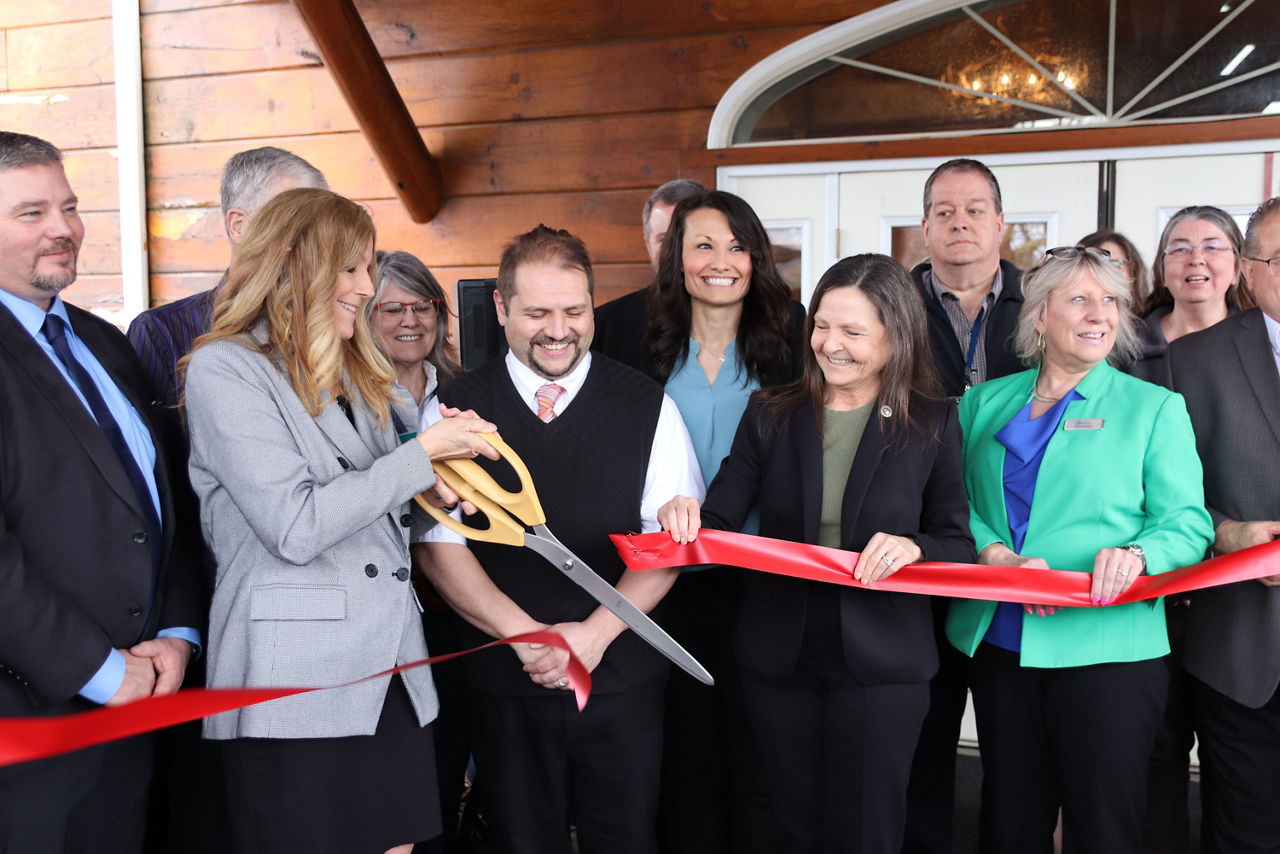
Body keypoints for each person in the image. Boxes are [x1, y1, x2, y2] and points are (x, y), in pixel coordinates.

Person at [183, 187, 498, 854]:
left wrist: (438, 489)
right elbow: (296, 526)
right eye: (351, 268)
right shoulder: (226, 368)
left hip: (391, 671)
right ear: (299, 265)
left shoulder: (357, 369)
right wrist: (419, 458)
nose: (367, 286)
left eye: (368, 267)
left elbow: (380, 507)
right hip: (292, 686)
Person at [660, 253, 977, 853]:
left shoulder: (932, 423)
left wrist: (915, 546)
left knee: (867, 833)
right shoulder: (770, 413)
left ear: (896, 336)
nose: (831, 345)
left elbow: (957, 543)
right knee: (790, 829)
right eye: (822, 326)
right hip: (780, 657)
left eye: (853, 331)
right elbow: (718, 520)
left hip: (883, 665)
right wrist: (682, 511)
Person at [420, 224, 703, 854]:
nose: (558, 330)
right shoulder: (451, 410)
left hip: (622, 677)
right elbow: (439, 547)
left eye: (575, 312)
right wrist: (529, 638)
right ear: (501, 307)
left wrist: (593, 636)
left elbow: (668, 544)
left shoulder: (648, 405)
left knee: (625, 840)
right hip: (503, 681)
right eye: (537, 314)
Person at [947, 245, 1214, 853]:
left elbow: (1187, 522)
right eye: (1079, 299)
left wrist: (1139, 554)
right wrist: (995, 554)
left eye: (1110, 301)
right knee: (1009, 822)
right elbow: (953, 504)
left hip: (1108, 651)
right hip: (1002, 644)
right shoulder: (982, 403)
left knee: (1103, 828)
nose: (1100, 314)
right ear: (1040, 316)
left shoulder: (1154, 408)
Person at [0, 131, 202, 852]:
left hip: (137, 711)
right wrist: (99, 671)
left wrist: (178, 632)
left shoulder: (105, 341)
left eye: (70, 206)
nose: (63, 228)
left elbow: (167, 502)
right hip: (28, 728)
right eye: (31, 213)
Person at [128, 143, 327, 854]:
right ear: (240, 226)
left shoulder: (333, 329)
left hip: (319, 615)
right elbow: (156, 491)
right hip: (207, 611)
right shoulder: (163, 335)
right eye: (294, 217)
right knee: (214, 812)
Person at [600, 188, 804, 853]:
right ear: (675, 258)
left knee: (760, 755)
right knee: (683, 759)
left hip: (764, 582)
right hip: (665, 586)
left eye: (737, 246)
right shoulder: (631, 346)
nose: (721, 261)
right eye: (703, 245)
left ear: (757, 258)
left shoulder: (794, 341)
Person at [904, 157, 1025, 854]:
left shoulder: (1043, 304)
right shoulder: (892, 306)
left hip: (1018, 555)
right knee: (923, 737)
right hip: (920, 547)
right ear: (924, 227)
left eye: (975, 209)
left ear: (1000, 222)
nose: (960, 223)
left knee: (1015, 751)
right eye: (944, 211)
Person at [1168, 196, 1280, 854]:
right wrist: (1228, 535)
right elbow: (1163, 494)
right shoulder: (1192, 361)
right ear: (1249, 269)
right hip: (1242, 647)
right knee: (1246, 835)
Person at [366, 249, 470, 854]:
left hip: (454, 604)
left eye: (424, 305)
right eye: (392, 309)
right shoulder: (348, 398)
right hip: (383, 609)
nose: (411, 320)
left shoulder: (465, 389)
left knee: (448, 757)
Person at [128, 146, 328, 407]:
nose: (318, 240)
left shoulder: (334, 322)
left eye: (323, 224)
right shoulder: (162, 334)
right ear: (239, 226)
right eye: (297, 222)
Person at [1126, 206, 1252, 383]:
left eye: (1212, 247)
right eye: (1180, 249)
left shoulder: (1261, 343)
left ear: (1237, 268)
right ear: (1162, 270)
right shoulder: (1125, 347)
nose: (1196, 259)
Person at [592, 178, 706, 368]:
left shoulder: (755, 321)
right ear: (648, 245)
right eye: (664, 239)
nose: (674, 249)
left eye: (687, 237)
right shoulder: (605, 325)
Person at [1079, 228, 1150, 312]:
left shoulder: (1153, 318)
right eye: (1099, 266)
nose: (1109, 273)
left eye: (1115, 265)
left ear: (1134, 271)